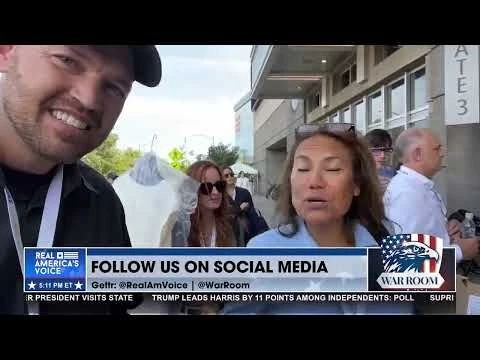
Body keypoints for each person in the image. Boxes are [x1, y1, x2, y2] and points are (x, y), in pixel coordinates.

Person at [0, 45, 162, 315]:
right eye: (67, 60)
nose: (89, 99)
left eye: (114, 87)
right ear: (6, 52)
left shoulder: (101, 201)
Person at [223, 123, 412, 314]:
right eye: (303, 169)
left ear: (356, 184)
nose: (314, 182)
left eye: (332, 169)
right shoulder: (262, 253)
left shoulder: (388, 250)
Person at [383, 128, 479, 264]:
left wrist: (445, 229)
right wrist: (459, 252)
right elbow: (406, 258)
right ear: (417, 154)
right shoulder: (406, 194)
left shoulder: (416, 186)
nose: (442, 153)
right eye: (437, 149)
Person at [171, 160, 241, 314]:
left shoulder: (232, 225)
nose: (215, 192)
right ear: (191, 190)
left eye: (219, 186)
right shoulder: (178, 229)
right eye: (206, 187)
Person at [222, 166, 260, 243]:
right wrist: (239, 209)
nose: (230, 177)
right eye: (226, 176)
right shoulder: (220, 196)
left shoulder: (244, 192)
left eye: (231, 174)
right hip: (227, 234)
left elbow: (252, 213)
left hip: (245, 233)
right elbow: (222, 215)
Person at [365, 129, 396, 193]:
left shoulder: (392, 173)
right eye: (377, 150)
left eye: (386, 150)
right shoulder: (357, 175)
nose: (383, 155)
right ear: (365, 151)